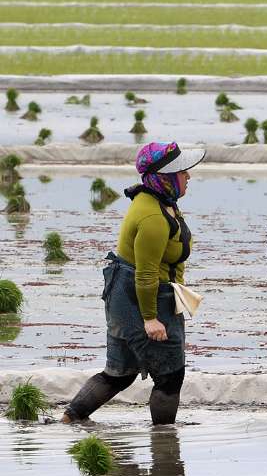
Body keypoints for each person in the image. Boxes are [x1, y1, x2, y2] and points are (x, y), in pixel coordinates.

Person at [62, 141, 204, 424]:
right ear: (165, 178)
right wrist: (150, 319)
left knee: (120, 373)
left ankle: (71, 419)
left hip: (127, 292)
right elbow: (146, 273)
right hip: (139, 295)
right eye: (183, 172)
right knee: (170, 376)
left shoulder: (158, 201)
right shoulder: (153, 216)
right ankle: (165, 442)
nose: (189, 176)